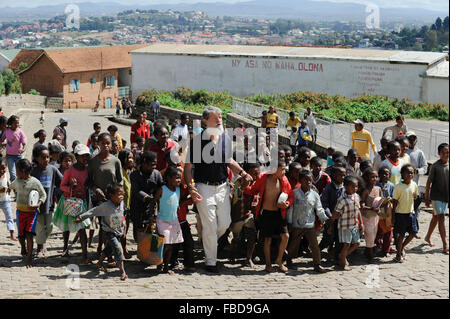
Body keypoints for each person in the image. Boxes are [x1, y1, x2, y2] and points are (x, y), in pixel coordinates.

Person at [185, 106, 252, 273]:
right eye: (216, 118)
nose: (220, 120)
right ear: (206, 121)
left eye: (221, 117)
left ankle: (208, 241)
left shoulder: (225, 139)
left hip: (222, 187)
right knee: (210, 226)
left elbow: (229, 160)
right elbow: (188, 168)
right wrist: (191, 188)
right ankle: (210, 261)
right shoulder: (197, 142)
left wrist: (243, 173)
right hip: (203, 187)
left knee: (225, 223)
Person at [244, 161, 292, 273]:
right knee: (267, 240)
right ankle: (268, 264)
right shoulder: (263, 178)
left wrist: (287, 204)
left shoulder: (284, 180)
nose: (284, 172)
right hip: (266, 213)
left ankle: (279, 260)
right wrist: (245, 186)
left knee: (285, 236)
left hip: (279, 213)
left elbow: (290, 195)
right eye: (282, 169)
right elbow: (252, 191)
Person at [76, 183, 128, 281]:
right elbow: (93, 211)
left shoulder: (121, 204)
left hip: (118, 232)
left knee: (108, 249)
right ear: (112, 195)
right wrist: (81, 217)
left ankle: (99, 262)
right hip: (109, 232)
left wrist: (124, 227)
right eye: (119, 194)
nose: (122, 196)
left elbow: (123, 216)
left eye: (123, 194)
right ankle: (122, 272)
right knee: (118, 249)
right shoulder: (106, 206)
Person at [86, 133, 123, 256]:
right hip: (99, 199)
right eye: (103, 143)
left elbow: (120, 181)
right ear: (98, 144)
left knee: (114, 226)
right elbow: (89, 181)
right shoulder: (92, 162)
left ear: (111, 145)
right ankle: (103, 250)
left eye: (108, 143)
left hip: (113, 200)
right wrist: (96, 189)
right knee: (103, 226)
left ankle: (109, 253)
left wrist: (117, 196)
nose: (106, 145)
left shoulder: (116, 161)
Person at [53, 144, 91, 264]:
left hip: (81, 202)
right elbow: (62, 186)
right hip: (69, 201)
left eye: (87, 155)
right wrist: (71, 187)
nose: (85, 158)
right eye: (82, 156)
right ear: (76, 156)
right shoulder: (70, 170)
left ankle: (85, 255)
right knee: (66, 227)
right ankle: (65, 247)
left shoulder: (88, 169)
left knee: (82, 228)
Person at [286, 169, 328, 273]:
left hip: (310, 224)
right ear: (300, 180)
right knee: (293, 243)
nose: (309, 182)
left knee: (314, 245)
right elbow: (291, 208)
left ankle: (317, 264)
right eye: (306, 180)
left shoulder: (314, 195)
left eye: (310, 180)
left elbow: (319, 209)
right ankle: (288, 260)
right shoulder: (295, 193)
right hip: (297, 224)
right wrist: (290, 222)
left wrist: (324, 220)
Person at [9, 159, 47, 268]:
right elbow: (11, 186)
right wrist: (7, 189)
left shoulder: (35, 182)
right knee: (21, 235)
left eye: (17, 171)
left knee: (29, 235)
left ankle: (29, 258)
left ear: (24, 171)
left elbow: (43, 195)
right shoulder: (17, 181)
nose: (16, 173)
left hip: (31, 213)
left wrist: (38, 204)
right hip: (20, 212)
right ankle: (23, 247)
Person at [31, 145, 63, 258]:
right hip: (37, 206)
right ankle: (40, 247)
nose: (46, 160)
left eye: (48, 157)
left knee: (49, 226)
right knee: (39, 227)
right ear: (37, 158)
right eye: (43, 157)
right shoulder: (33, 171)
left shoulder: (52, 169)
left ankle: (42, 241)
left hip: (49, 204)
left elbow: (62, 182)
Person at [154, 166, 186, 274]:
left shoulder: (178, 190)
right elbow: (153, 202)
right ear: (168, 178)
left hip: (174, 221)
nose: (179, 180)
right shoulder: (162, 190)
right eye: (176, 178)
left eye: (180, 178)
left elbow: (179, 203)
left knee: (171, 245)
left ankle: (166, 267)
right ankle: (159, 264)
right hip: (162, 221)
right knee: (165, 244)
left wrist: (190, 199)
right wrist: (151, 217)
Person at [228, 162, 260, 268]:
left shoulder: (257, 184)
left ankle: (248, 258)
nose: (255, 176)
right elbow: (236, 198)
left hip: (249, 215)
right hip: (238, 215)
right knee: (236, 238)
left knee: (252, 236)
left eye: (257, 174)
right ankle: (231, 254)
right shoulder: (238, 183)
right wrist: (242, 187)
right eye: (253, 174)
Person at [330, 175, 364, 271]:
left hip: (354, 225)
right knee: (346, 244)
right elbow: (335, 213)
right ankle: (343, 262)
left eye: (356, 186)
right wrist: (330, 225)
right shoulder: (342, 200)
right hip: (344, 226)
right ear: (345, 187)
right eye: (352, 186)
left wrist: (361, 223)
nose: (355, 188)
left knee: (357, 243)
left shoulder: (357, 197)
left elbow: (358, 211)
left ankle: (342, 256)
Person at [130, 151, 163, 242]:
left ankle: (147, 250)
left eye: (155, 164)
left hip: (151, 207)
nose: (154, 167)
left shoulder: (157, 174)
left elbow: (160, 188)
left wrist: (156, 200)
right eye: (152, 164)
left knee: (151, 230)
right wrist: (149, 198)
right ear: (144, 163)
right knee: (138, 230)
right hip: (137, 207)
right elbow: (137, 191)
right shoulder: (134, 175)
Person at [424, 143, 449, 254]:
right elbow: (429, 182)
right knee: (441, 218)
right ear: (439, 153)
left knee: (436, 217)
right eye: (443, 152)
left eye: (448, 152)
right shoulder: (435, 166)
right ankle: (445, 244)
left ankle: (427, 237)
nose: (446, 154)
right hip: (436, 196)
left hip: (446, 197)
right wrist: (427, 198)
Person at [392, 164, 419, 263]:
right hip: (401, 214)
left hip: (410, 213)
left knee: (413, 232)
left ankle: (401, 247)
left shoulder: (414, 184)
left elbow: (415, 197)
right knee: (401, 235)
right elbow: (394, 202)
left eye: (412, 173)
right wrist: (393, 216)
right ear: (402, 174)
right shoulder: (398, 187)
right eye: (408, 172)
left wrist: (415, 197)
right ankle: (398, 254)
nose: (410, 174)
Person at [406, 131, 427, 239]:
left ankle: (415, 229)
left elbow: (425, 167)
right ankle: (405, 228)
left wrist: (417, 171)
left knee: (416, 207)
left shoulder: (419, 153)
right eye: (410, 138)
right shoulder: (403, 152)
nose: (412, 140)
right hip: (403, 185)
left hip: (416, 184)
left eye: (414, 138)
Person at [360, 168, 382, 263]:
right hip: (366, 217)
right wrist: (370, 208)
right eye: (372, 177)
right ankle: (370, 256)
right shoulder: (365, 191)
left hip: (375, 216)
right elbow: (361, 205)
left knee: (374, 234)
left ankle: (367, 251)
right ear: (367, 178)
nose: (374, 179)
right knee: (370, 236)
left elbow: (381, 200)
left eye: (376, 177)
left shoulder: (378, 189)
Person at [375, 166, 395, 257]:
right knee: (378, 230)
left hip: (388, 212)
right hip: (377, 211)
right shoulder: (376, 185)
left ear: (389, 175)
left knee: (388, 231)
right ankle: (378, 244)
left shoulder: (391, 185)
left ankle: (386, 249)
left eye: (386, 174)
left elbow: (393, 197)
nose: (384, 175)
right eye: (382, 173)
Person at [1, 115, 27, 183]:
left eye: (18, 123)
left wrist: (23, 149)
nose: (17, 124)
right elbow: (1, 140)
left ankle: (19, 187)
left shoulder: (20, 132)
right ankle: (15, 190)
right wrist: (2, 147)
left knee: (20, 173)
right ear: (11, 123)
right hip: (9, 156)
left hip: (18, 156)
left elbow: (24, 144)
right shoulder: (6, 131)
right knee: (13, 174)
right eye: (15, 123)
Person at [0, 158, 17, 241]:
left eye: (4, 168)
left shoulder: (6, 175)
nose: (3, 170)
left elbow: (8, 183)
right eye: (1, 168)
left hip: (6, 200)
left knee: (9, 217)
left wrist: (11, 186)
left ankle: (12, 234)